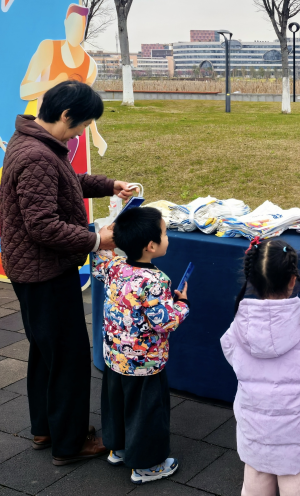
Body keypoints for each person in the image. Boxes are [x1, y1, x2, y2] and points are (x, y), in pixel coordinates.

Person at [0, 80, 134, 465]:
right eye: (83, 124)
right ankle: (70, 442)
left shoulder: (31, 141)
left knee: (47, 353)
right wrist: (97, 239)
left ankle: (45, 427)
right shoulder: (38, 155)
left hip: (32, 269)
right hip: (44, 272)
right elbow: (43, 225)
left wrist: (108, 185)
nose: (80, 133)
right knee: (69, 358)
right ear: (65, 115)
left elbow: (66, 184)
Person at [221, 238, 300, 496]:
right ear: (292, 280)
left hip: (254, 427)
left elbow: (232, 356)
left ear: (251, 280)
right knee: (296, 487)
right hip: (297, 432)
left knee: (255, 483)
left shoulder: (236, 328)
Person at [92, 207, 189, 484]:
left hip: (115, 358)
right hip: (145, 363)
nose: (168, 238)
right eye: (165, 234)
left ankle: (119, 449)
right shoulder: (157, 281)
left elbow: (100, 259)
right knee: (146, 413)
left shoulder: (114, 268)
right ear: (151, 246)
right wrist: (183, 305)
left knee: (118, 405)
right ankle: (147, 465)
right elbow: (164, 322)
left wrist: (107, 235)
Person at [20, 3, 107, 160]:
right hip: (45, 128)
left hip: (69, 132)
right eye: (72, 25)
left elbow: (86, 107)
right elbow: (24, 91)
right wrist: (53, 83)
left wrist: (95, 135)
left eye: (80, 27)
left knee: (63, 171)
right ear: (65, 23)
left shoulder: (89, 65)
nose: (75, 31)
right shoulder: (49, 48)